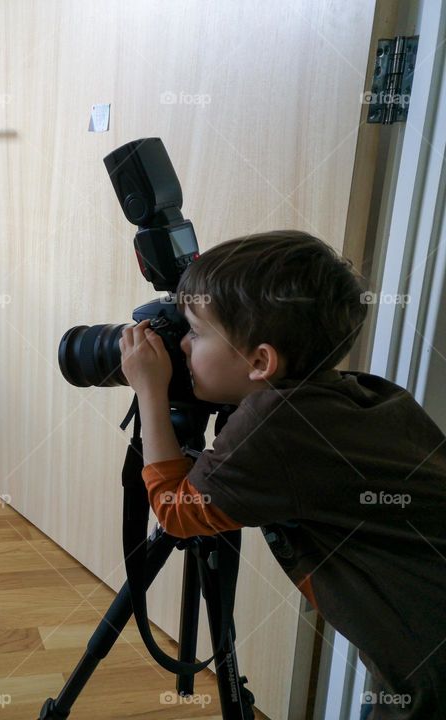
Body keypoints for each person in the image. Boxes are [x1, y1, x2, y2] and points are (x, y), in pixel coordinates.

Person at [118, 231, 446, 719]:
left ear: (260, 361)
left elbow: (177, 512)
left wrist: (149, 389)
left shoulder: (273, 426)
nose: (182, 345)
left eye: (196, 332)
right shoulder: (369, 395)